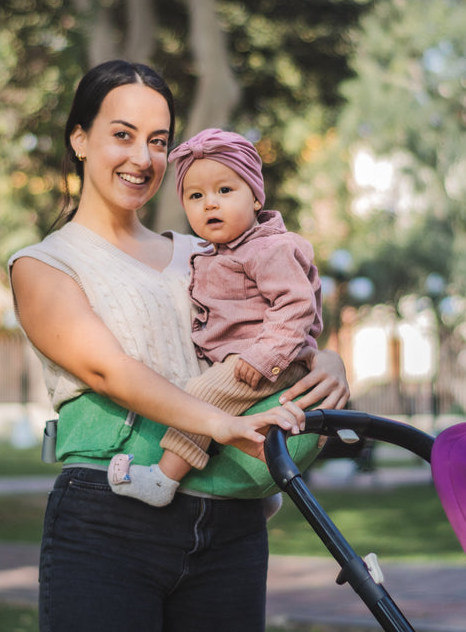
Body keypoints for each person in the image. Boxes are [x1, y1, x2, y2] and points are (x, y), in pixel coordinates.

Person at [8, 59, 350, 632]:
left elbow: (279, 322)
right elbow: (109, 372)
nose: (142, 159)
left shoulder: (208, 250)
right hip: (110, 515)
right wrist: (215, 423)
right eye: (123, 135)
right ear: (80, 138)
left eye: (158, 141)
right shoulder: (44, 265)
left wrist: (328, 359)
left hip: (230, 522)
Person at [108, 128, 323, 507]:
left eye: (225, 191)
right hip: (244, 360)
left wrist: (264, 357)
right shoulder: (215, 253)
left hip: (272, 360)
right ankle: (256, 491)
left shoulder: (269, 248)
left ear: (256, 196)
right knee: (212, 401)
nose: (210, 204)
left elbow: (296, 305)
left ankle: (162, 479)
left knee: (199, 398)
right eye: (196, 196)